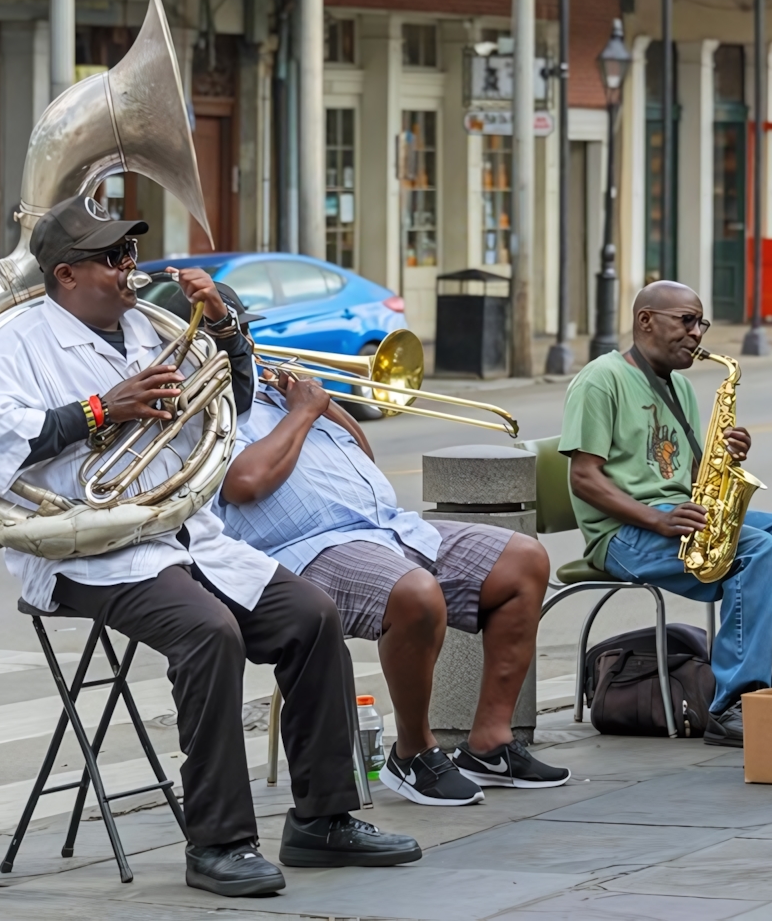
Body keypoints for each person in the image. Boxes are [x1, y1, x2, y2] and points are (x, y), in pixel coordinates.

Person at [0, 195, 420, 898]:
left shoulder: (149, 325)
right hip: (88, 546)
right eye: (111, 259)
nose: (128, 269)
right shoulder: (14, 344)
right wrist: (101, 410)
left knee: (313, 616)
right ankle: (219, 842)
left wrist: (229, 330)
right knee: (210, 634)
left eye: (130, 254)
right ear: (65, 275)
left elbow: (223, 405)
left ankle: (323, 820)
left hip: (185, 535)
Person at [215, 333, 569, 806]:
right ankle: (413, 752)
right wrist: (301, 413)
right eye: (235, 341)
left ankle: (490, 744)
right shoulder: (207, 411)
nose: (248, 350)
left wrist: (322, 405)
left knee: (523, 560)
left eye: (246, 337)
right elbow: (244, 483)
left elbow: (363, 456)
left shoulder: (278, 391)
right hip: (305, 550)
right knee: (415, 594)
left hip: (388, 527)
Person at [559, 281, 772, 748]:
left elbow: (690, 476)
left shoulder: (681, 387)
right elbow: (584, 478)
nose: (697, 334)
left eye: (700, 322)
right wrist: (657, 519)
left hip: (680, 517)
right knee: (754, 548)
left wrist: (727, 458)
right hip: (624, 533)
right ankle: (734, 704)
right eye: (686, 321)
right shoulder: (599, 379)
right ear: (646, 320)